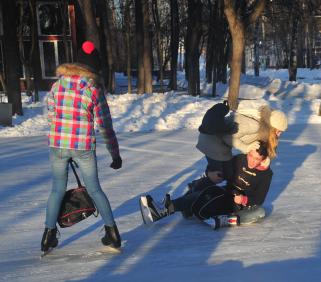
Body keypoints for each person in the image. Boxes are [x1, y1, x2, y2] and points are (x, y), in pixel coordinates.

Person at [42, 41, 123, 253]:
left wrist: (59, 136)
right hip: (83, 146)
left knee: (57, 189)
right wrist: (115, 155)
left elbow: (51, 115)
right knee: (94, 189)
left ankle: (48, 236)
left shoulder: (57, 85)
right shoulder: (92, 89)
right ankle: (112, 234)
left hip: (58, 145)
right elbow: (105, 126)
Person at [139, 141, 273, 225]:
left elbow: (259, 199)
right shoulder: (240, 159)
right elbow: (223, 169)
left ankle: (162, 211)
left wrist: (243, 199)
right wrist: (210, 175)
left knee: (203, 195)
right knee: (199, 186)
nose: (252, 161)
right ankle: (174, 209)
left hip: (237, 203)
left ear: (263, 159)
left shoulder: (266, 175)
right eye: (251, 156)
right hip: (227, 192)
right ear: (248, 151)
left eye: (257, 159)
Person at [195, 103, 287, 182]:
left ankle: (206, 179)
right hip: (212, 141)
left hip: (221, 145)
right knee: (221, 175)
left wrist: (265, 159)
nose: (278, 135)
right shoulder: (253, 126)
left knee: (227, 173)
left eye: (281, 132)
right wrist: (245, 147)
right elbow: (227, 137)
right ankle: (200, 186)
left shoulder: (263, 131)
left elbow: (261, 146)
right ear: (272, 127)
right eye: (278, 131)